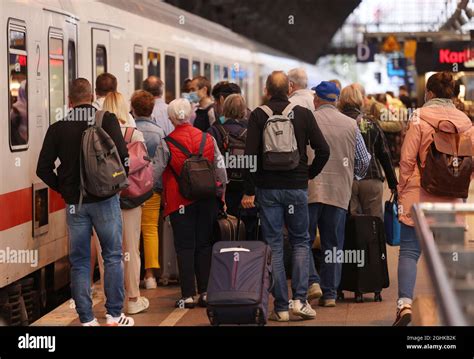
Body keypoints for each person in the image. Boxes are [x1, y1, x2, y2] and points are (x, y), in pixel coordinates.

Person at [36, 78, 134, 326]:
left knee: (79, 261)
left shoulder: (57, 128)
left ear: (69, 101)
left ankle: (87, 319)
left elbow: (43, 169)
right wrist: (113, 185)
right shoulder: (106, 119)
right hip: (105, 200)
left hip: (74, 204)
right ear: (92, 98)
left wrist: (64, 189)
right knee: (112, 256)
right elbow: (123, 156)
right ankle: (113, 314)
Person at [241, 71, 330, 322]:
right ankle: (299, 301)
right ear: (289, 89)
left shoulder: (258, 115)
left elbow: (249, 156)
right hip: (296, 187)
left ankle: (280, 307)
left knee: (275, 245)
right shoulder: (303, 114)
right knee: (301, 240)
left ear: (267, 91)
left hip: (268, 189)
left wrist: (249, 189)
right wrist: (309, 173)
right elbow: (324, 149)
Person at [394, 72, 474, 326]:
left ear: (429, 93)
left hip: (419, 196)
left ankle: (405, 305)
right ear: (453, 94)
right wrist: (458, 183)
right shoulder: (466, 122)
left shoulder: (419, 118)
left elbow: (406, 160)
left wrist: (403, 188)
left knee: (409, 251)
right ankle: (452, 306)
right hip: (451, 200)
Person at [154, 98, 227, 308]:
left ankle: (187, 296)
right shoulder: (208, 139)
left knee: (185, 247)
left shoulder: (167, 143)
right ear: (190, 116)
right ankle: (205, 292)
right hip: (206, 200)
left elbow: (155, 172)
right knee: (204, 245)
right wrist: (221, 197)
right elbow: (221, 171)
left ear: (171, 118)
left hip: (180, 203)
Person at [307, 81, 371, 308]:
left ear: (317, 99)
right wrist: (353, 176)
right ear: (335, 100)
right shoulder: (351, 125)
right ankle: (330, 293)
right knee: (333, 244)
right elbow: (364, 161)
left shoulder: (307, 119)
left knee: (302, 241)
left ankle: (311, 282)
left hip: (310, 191)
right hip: (339, 192)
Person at [103, 92, 149, 315]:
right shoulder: (134, 134)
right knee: (131, 249)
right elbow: (144, 166)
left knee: (108, 252)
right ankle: (132, 299)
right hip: (130, 197)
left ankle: (110, 301)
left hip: (103, 198)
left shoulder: (95, 132)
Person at [339, 84, 398, 218]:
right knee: (374, 221)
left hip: (347, 180)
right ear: (360, 101)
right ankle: (374, 239)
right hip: (372, 178)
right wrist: (393, 183)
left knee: (350, 222)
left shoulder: (338, 122)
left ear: (341, 100)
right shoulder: (370, 122)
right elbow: (384, 153)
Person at [208, 94, 258, 241]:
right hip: (246, 192)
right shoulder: (252, 132)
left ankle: (224, 259)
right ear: (244, 111)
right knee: (247, 231)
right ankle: (246, 260)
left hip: (222, 190)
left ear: (224, 109)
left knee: (223, 229)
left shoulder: (214, 131)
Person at [131, 90, 166, 290]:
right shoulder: (159, 132)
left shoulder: (128, 130)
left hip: (132, 190)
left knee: (132, 231)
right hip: (152, 188)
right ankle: (150, 275)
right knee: (150, 229)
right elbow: (162, 161)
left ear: (133, 109)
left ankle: (133, 275)